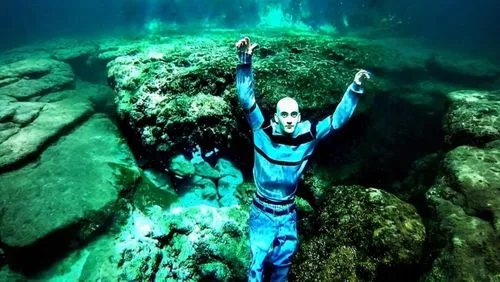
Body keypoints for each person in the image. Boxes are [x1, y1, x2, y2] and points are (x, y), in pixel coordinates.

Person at [235, 37, 371, 282]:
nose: (289, 119)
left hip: (288, 211)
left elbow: (337, 120)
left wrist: (354, 88)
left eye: (293, 114)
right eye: (284, 114)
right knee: (257, 263)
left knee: (283, 263)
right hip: (262, 210)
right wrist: (244, 62)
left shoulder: (309, 134)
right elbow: (247, 100)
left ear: (299, 118)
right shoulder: (262, 129)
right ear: (275, 117)